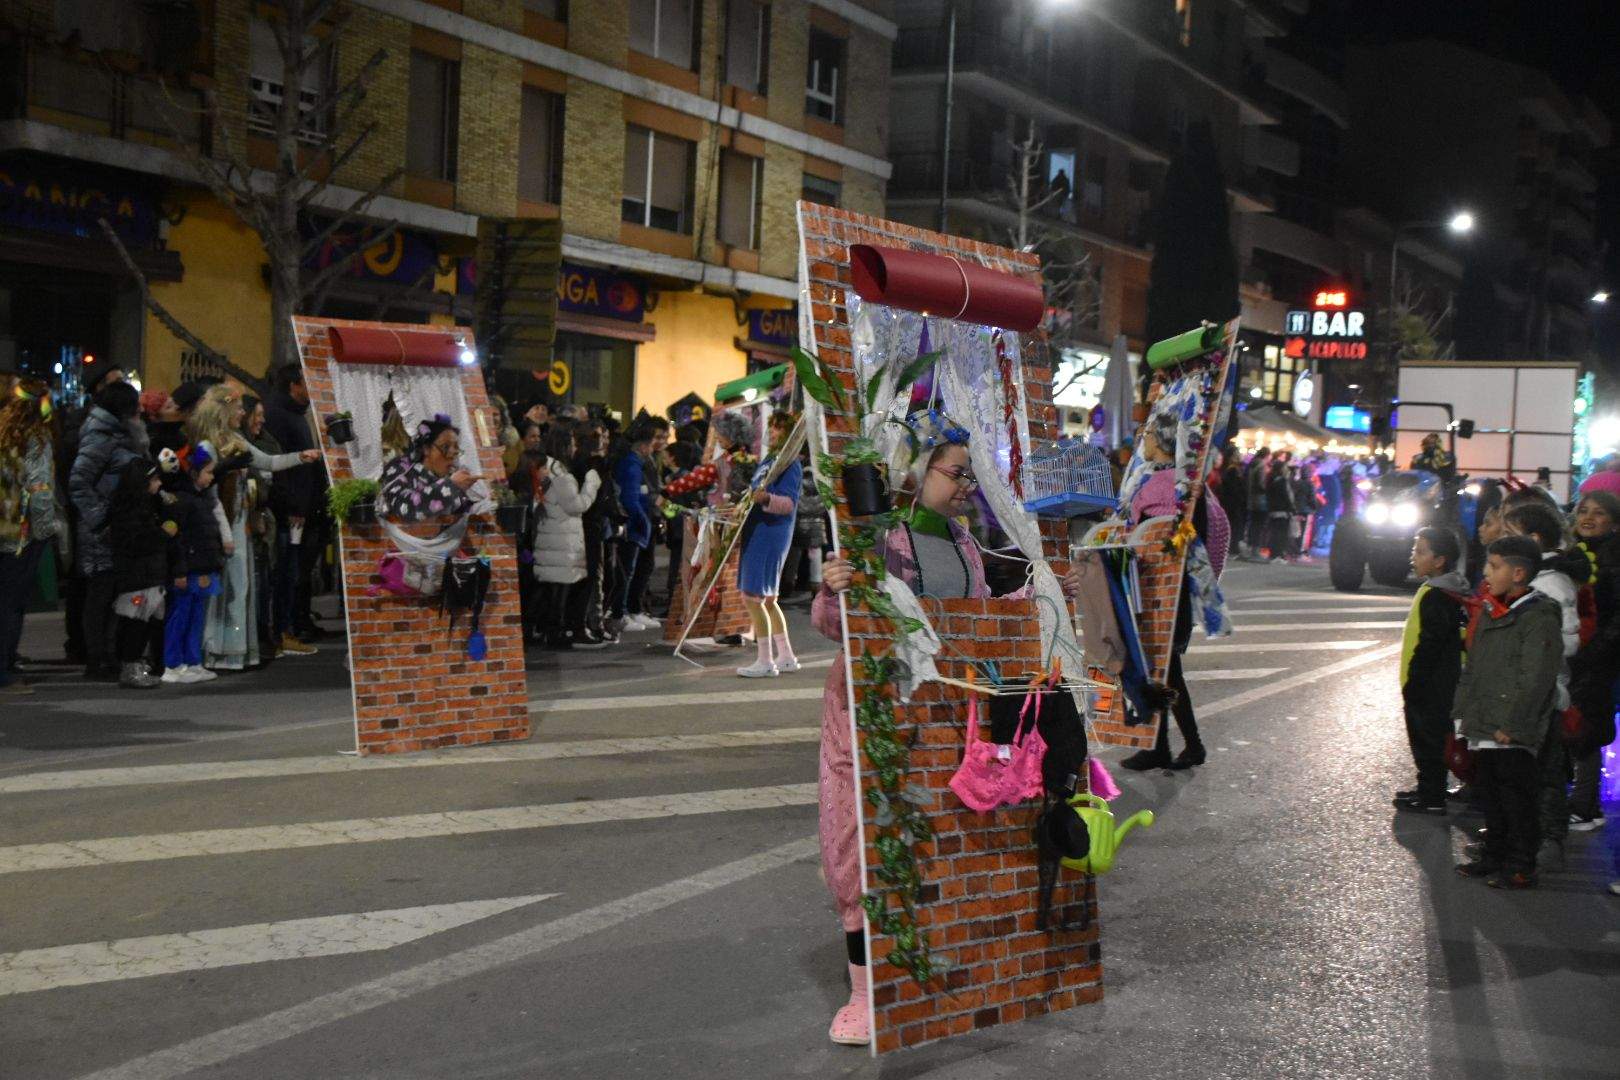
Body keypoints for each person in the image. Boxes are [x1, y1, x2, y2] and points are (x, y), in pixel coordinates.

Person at [814, 418, 994, 1046]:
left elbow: (979, 617)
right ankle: (865, 993)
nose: (968, 485)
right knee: (856, 847)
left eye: (971, 474)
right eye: (957, 472)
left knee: (930, 845)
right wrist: (836, 589)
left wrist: (1045, 592)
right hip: (869, 712)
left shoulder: (967, 542)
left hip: (941, 714)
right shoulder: (879, 538)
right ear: (915, 474)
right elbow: (833, 622)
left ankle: (923, 973)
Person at [1116, 411, 1229, 771]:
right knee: (1160, 669)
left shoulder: (1168, 487)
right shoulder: (1183, 484)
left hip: (1165, 592)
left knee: (1167, 669)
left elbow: (1161, 539)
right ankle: (1159, 746)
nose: (1143, 441)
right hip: (1167, 591)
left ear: (1163, 442)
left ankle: (1189, 746)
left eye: (1148, 435)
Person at [1453, 535, 1564, 888]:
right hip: (1484, 722)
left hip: (1511, 728)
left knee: (1517, 798)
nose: (1486, 572)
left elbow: (1537, 677)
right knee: (1491, 794)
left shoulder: (1538, 616)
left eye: (1494, 566)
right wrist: (1463, 714)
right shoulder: (1490, 609)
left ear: (1519, 573)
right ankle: (1494, 855)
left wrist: (1514, 724)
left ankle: (1520, 864)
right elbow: (1473, 668)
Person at [188, 385, 317, 671]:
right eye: (237, 409)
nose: (242, 413)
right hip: (220, 523)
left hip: (239, 522)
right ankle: (214, 650)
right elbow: (199, 483)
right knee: (225, 588)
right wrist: (224, 468)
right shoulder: (207, 446)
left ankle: (235, 650)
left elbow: (268, 461)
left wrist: (301, 457)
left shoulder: (236, 440)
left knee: (241, 586)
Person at [1501, 501, 1582, 869]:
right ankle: (1519, 838)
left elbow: (1569, 640)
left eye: (1509, 533)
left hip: (1545, 691)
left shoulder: (1552, 582)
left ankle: (1550, 838)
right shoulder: (1529, 577)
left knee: (1546, 771)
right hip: (1520, 688)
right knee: (1518, 769)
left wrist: (1528, 642)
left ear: (1532, 539)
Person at [69, 379, 147, 679]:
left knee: (114, 594)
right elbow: (79, 482)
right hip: (102, 529)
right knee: (100, 595)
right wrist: (101, 517)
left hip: (117, 525)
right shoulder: (100, 437)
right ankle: (97, 657)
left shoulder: (116, 435)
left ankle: (109, 654)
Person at [1393, 527, 1470, 814]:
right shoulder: (1450, 589)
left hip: (1430, 683)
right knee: (1433, 738)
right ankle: (1429, 789)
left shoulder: (1436, 595)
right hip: (1441, 682)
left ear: (1439, 560)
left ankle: (1431, 795)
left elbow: (1430, 644)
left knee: (1427, 740)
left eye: (1420, 551)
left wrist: (1415, 682)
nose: (1413, 556)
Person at [0, 378, 61, 697]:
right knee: (11, 604)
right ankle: (4, 672)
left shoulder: (3, 431)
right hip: (21, 533)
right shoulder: (35, 437)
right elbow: (39, 490)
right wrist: (47, 527)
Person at [733, 410, 803, 678]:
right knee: (769, 599)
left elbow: (787, 504)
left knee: (752, 598)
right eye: (771, 428)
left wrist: (763, 499)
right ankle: (785, 656)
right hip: (760, 530)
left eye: (778, 429)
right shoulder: (772, 460)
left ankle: (765, 661)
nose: (772, 433)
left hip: (769, 533)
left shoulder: (790, 464)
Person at [262, 365, 326, 652]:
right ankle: (286, 627)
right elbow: (281, 466)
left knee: (300, 568)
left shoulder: (298, 414)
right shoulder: (278, 415)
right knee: (289, 570)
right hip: (292, 508)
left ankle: (297, 621)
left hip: (307, 505)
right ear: (293, 385)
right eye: (307, 383)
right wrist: (292, 504)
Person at [1568, 490, 1620, 833]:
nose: (1588, 518)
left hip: (1601, 660)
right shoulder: (1572, 555)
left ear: (1614, 523)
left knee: (1588, 728)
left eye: (1598, 513)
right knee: (1572, 725)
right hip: (1576, 654)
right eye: (1583, 511)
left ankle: (1586, 806)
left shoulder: (1613, 560)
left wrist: (1593, 653)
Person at [532, 422, 607, 650]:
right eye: (573, 443)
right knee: (561, 589)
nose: (575, 448)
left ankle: (550, 630)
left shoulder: (546, 467)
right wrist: (592, 483)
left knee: (554, 588)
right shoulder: (560, 474)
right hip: (562, 538)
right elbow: (577, 505)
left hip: (551, 535)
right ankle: (556, 633)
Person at [106, 458, 175, 689]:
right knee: (135, 623)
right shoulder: (129, 511)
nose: (158, 484)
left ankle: (137, 664)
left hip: (147, 575)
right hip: (137, 577)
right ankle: (130, 667)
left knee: (144, 623)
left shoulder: (146, 505)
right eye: (154, 479)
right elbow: (137, 543)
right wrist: (163, 534)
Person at [162, 442, 224, 685]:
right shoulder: (182, 502)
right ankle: (173, 664)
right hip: (186, 569)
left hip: (201, 567)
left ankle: (192, 661)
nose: (211, 477)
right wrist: (179, 569)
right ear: (194, 473)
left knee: (195, 617)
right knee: (180, 616)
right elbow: (177, 538)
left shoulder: (200, 499)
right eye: (208, 472)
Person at [379, 415, 479, 522]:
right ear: (426, 448)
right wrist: (451, 486)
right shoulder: (401, 468)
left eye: (456, 449)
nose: (452, 456)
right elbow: (403, 508)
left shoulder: (446, 476)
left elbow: (463, 512)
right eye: (445, 447)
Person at [610, 419, 660, 631]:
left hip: (633, 526)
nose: (652, 449)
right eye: (650, 444)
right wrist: (643, 521)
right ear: (642, 446)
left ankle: (625, 612)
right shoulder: (632, 466)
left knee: (629, 571)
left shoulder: (633, 464)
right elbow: (631, 499)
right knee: (626, 571)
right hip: (632, 528)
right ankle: (620, 614)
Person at [1264, 455, 1294, 566]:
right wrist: (1292, 509)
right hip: (1282, 511)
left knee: (1274, 533)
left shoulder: (1271, 480)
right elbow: (1287, 497)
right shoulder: (1282, 481)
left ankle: (1273, 554)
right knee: (1281, 534)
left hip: (1273, 510)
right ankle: (1277, 554)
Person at [1245, 447, 1271, 557]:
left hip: (1251, 498)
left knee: (1253, 523)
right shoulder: (1261, 466)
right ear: (1267, 455)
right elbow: (1261, 484)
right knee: (1259, 524)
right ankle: (1255, 549)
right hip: (1261, 500)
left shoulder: (1252, 464)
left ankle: (1249, 547)